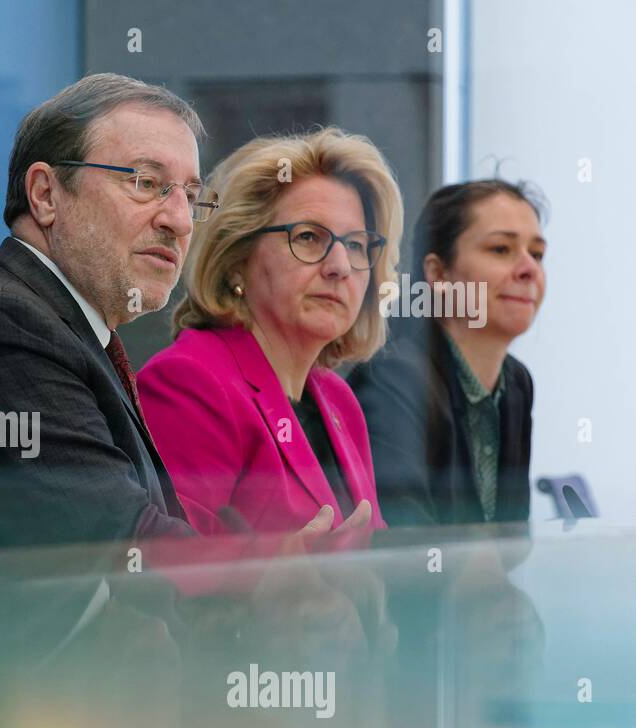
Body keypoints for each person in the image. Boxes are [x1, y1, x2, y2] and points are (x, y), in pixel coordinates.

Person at [0, 73, 208, 555]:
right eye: (147, 183)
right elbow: (124, 544)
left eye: (191, 195)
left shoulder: (66, 328)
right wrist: (264, 580)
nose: (179, 220)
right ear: (45, 195)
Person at [138, 128, 400, 535]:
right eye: (310, 238)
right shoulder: (189, 383)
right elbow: (175, 573)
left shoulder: (339, 400)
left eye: (356, 245)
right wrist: (282, 578)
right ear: (237, 259)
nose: (340, 267)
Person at [349, 180, 545, 526]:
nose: (530, 269)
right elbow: (405, 548)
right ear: (438, 274)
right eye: (501, 249)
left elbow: (509, 544)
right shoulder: (392, 379)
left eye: (537, 253)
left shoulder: (517, 382)